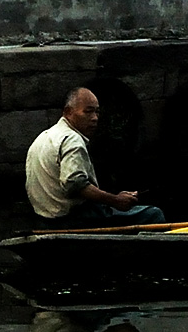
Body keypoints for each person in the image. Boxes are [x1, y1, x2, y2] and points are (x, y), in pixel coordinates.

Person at [25, 87, 165, 228]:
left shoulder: (43, 137)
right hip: (72, 218)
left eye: (97, 112)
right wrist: (115, 200)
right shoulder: (72, 139)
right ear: (68, 112)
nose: (95, 118)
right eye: (88, 111)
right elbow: (74, 184)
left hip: (44, 220)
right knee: (153, 215)